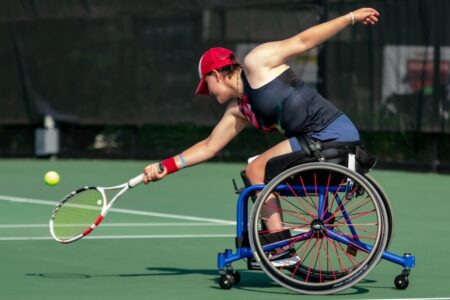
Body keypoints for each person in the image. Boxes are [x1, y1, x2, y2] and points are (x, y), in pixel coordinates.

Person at [143, 8, 380, 264]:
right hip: (316, 144)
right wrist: (165, 166)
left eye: (206, 85)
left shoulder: (257, 62)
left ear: (216, 74)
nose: (207, 92)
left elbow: (303, 41)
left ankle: (280, 248)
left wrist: (350, 18)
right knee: (253, 169)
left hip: (334, 136)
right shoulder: (240, 110)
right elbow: (210, 146)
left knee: (256, 169)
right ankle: (270, 244)